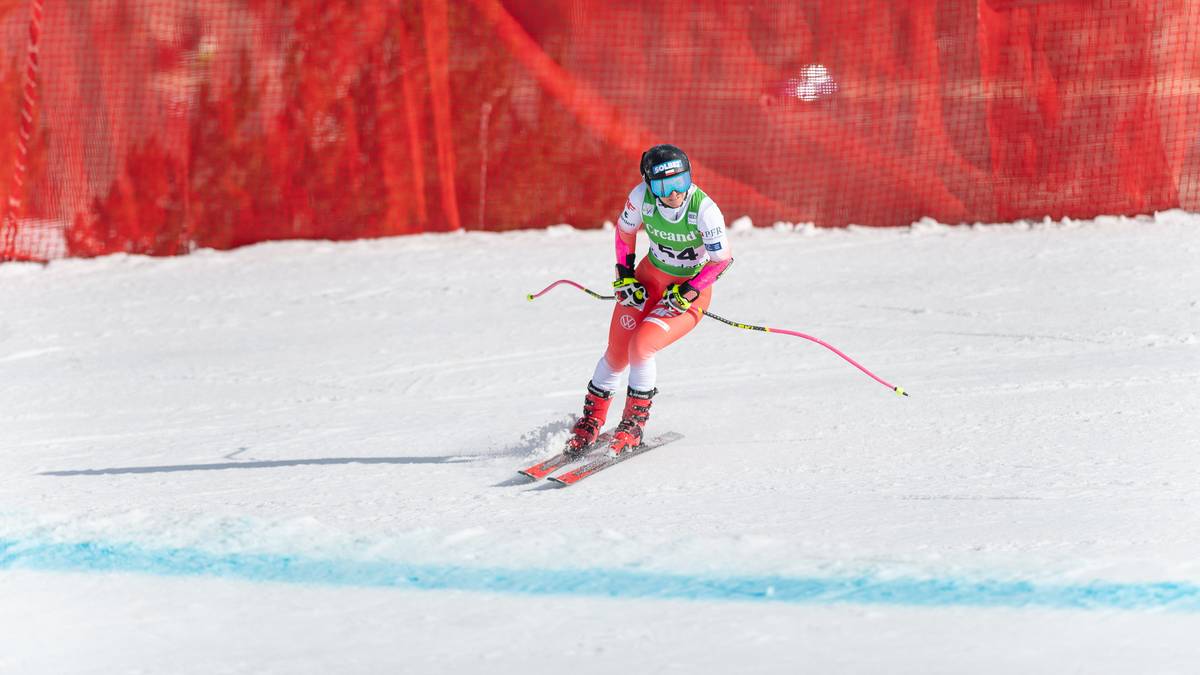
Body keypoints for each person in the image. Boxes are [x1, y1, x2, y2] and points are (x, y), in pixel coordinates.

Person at [567, 144, 734, 457]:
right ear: (649, 184)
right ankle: (592, 420)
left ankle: (633, 425)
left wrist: (690, 290)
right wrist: (625, 275)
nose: (673, 194)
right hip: (649, 278)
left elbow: (721, 260)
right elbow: (624, 232)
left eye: (680, 183)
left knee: (642, 346)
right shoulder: (640, 197)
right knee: (617, 353)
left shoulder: (705, 210)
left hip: (688, 292)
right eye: (663, 186)